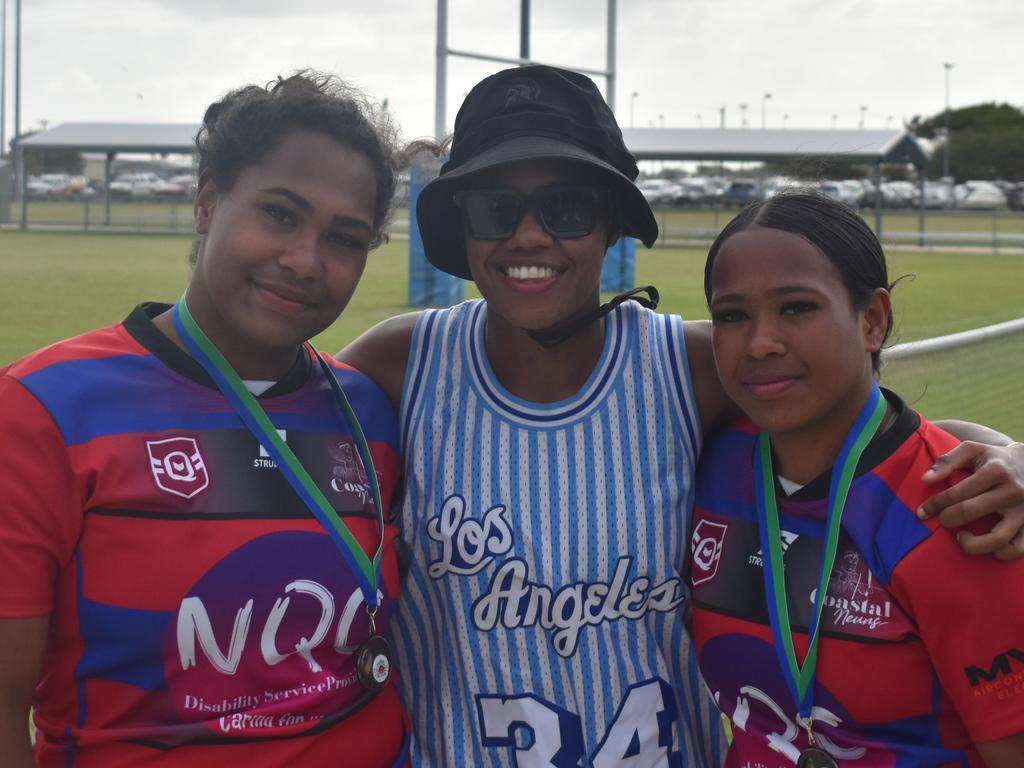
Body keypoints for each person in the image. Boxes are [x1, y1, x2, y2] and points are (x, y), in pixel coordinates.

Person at [340, 65, 1024, 765]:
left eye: (568, 208)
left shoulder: (692, 367)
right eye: (494, 209)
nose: (529, 236)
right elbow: (272, 432)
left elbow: (869, 429)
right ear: (461, 226)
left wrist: (1009, 454)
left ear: (612, 224)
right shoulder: (400, 366)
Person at [0, 73, 410, 767]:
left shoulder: (368, 411)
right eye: (280, 215)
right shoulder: (48, 407)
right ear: (207, 201)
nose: (305, 261)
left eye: (344, 239)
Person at [688, 192, 1024, 767]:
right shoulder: (707, 463)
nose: (761, 342)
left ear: (873, 319)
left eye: (796, 307)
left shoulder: (964, 512)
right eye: (732, 315)